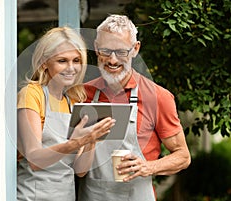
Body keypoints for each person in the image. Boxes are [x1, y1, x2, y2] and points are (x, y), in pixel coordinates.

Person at [77, 14, 191, 201]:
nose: (113, 60)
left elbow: (183, 156)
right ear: (96, 48)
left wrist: (148, 167)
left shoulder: (158, 97)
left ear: (135, 49)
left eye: (121, 51)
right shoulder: (83, 94)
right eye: (106, 51)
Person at [16, 26, 115, 201]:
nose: (71, 68)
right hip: (34, 195)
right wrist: (76, 142)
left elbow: (81, 170)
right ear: (44, 62)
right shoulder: (32, 94)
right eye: (62, 61)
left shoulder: (72, 100)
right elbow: (34, 158)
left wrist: (91, 139)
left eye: (76, 60)